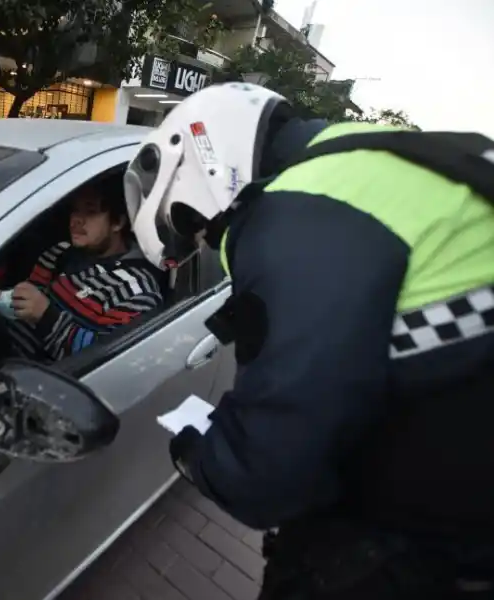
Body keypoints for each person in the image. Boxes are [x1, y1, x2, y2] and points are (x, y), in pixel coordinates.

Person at [123, 82, 494, 598]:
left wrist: (202, 454)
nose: (209, 241)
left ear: (199, 161)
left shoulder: (303, 210)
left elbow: (267, 471)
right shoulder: (370, 159)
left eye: (198, 228)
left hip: (436, 551)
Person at [0, 181, 167, 362]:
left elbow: (103, 362)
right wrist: (3, 299)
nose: (76, 220)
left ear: (117, 222)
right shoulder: (59, 252)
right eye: (75, 210)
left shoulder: (136, 292)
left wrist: (46, 317)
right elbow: (27, 302)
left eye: (90, 211)